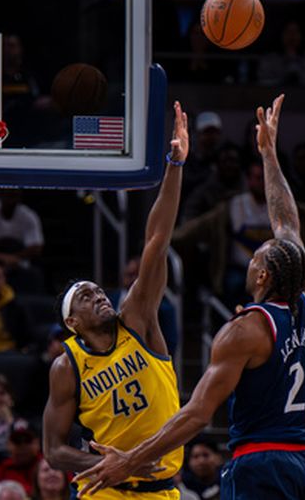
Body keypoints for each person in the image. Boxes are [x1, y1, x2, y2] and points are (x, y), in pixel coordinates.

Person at [75, 94, 305, 499]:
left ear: (262, 274)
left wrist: (129, 459)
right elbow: (287, 226)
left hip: (263, 462)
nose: (250, 258)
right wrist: (269, 155)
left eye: (255, 256)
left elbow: (196, 414)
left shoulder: (244, 331)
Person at [43, 101, 189, 498]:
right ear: (72, 322)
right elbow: (53, 451)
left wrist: (174, 167)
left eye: (99, 290)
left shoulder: (137, 320)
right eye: (86, 297)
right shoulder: (67, 365)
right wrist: (110, 464)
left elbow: (156, 242)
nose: (99, 296)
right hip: (106, 490)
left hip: (162, 490)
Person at [108, 256, 179, 356]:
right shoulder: (110, 299)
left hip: (146, 357)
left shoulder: (162, 307)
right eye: (129, 274)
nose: (131, 279)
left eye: (135, 275)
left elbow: (171, 344)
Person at [0, 420, 42, 498]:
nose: (23, 447)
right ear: (8, 445)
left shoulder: (49, 468)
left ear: (37, 443)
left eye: (28, 441)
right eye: (17, 442)